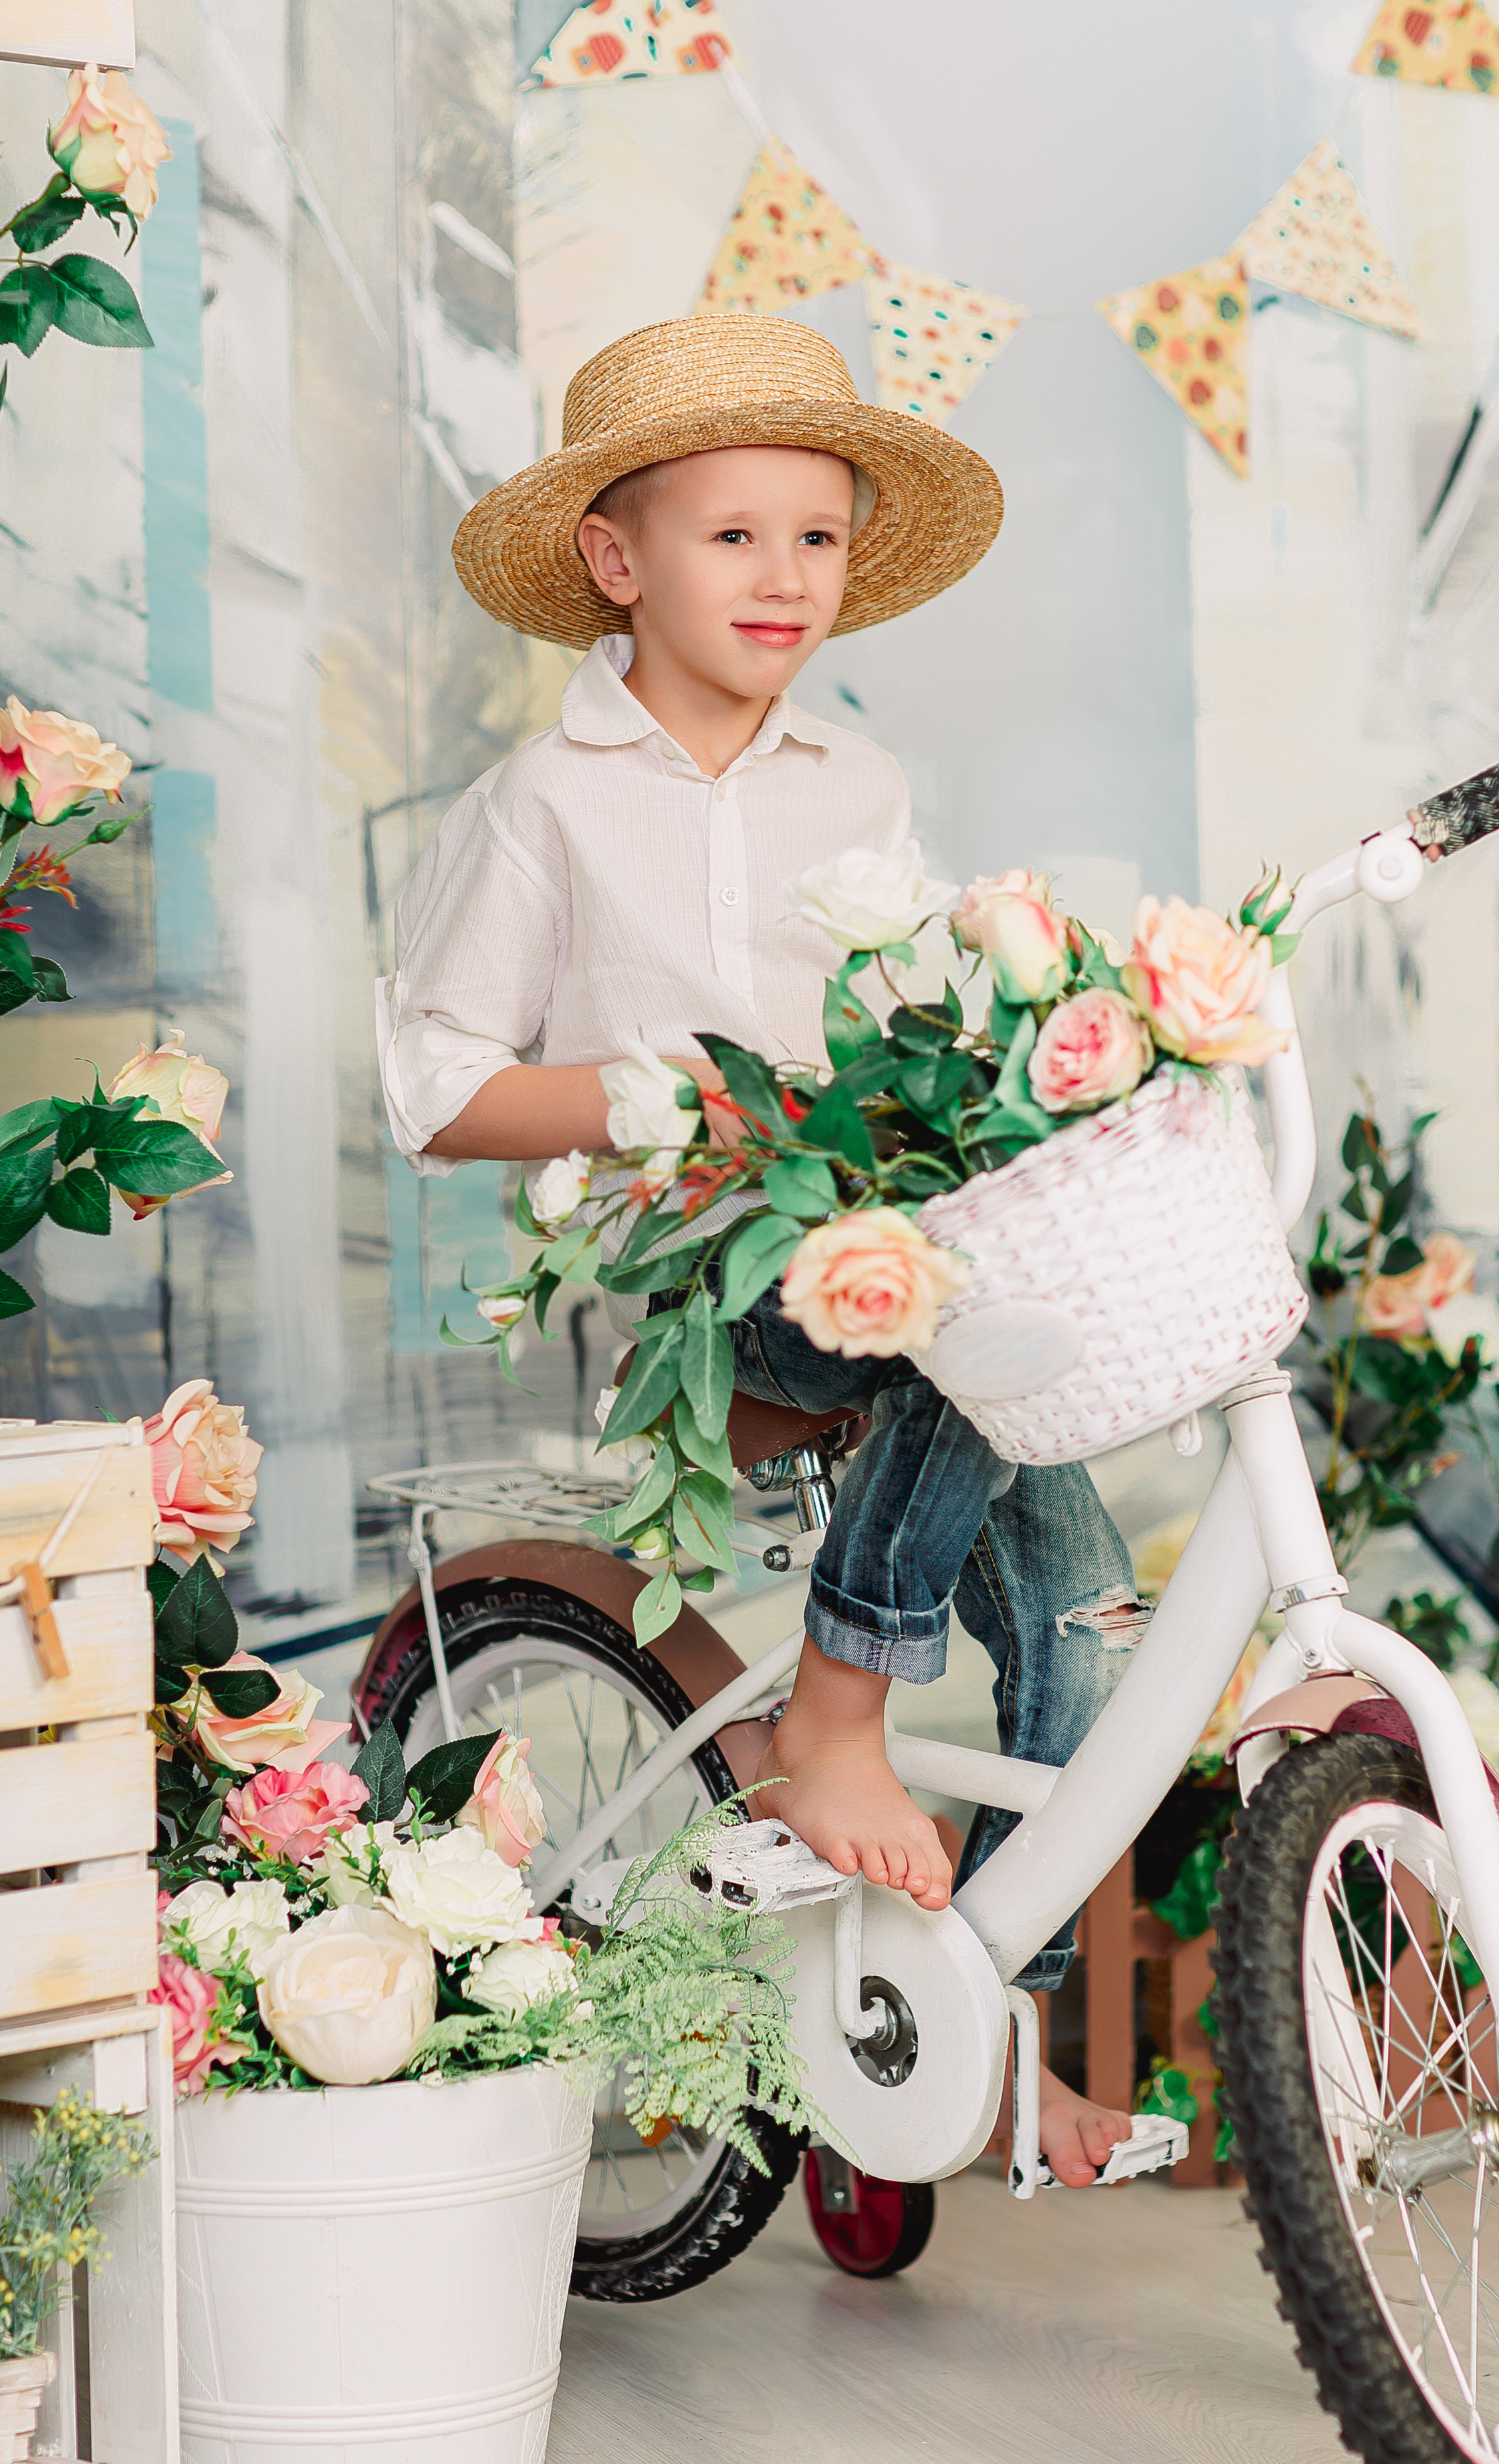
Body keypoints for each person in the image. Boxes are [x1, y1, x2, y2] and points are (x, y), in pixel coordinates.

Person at [378, 313, 1139, 2186]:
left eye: (818, 534)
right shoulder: (543, 803)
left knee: (1084, 1615)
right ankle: (836, 1714)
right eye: (734, 537)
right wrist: (663, 1106)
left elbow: (894, 1025)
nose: (787, 575)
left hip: (867, 1260)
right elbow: (438, 1085)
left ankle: (977, 2037)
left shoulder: (854, 793)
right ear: (616, 563)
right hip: (687, 1286)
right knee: (964, 1324)